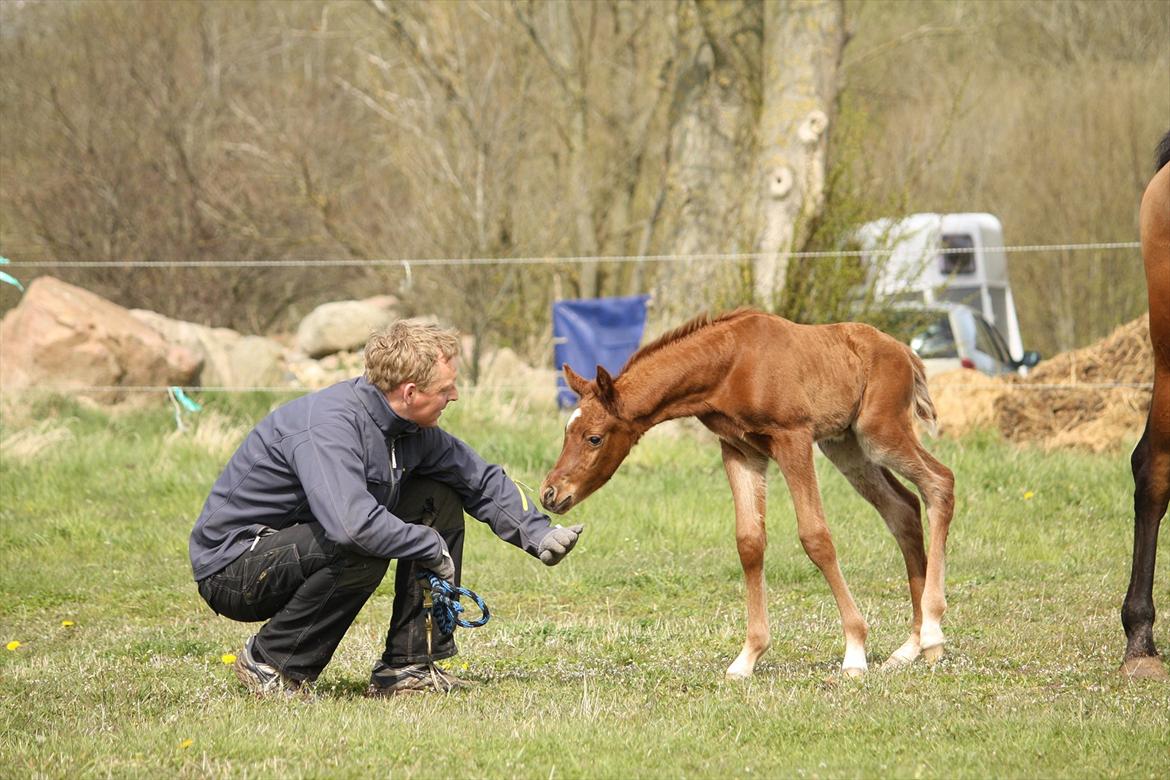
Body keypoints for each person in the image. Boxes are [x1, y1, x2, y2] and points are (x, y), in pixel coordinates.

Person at [189, 319, 584, 697]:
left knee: (437, 497)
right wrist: (428, 544)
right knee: (362, 545)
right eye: (447, 388)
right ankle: (272, 665)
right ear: (410, 392)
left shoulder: (410, 429)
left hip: (295, 549)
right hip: (233, 568)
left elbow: (476, 476)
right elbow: (351, 525)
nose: (455, 396)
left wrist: (538, 533)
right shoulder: (330, 426)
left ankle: (409, 666)